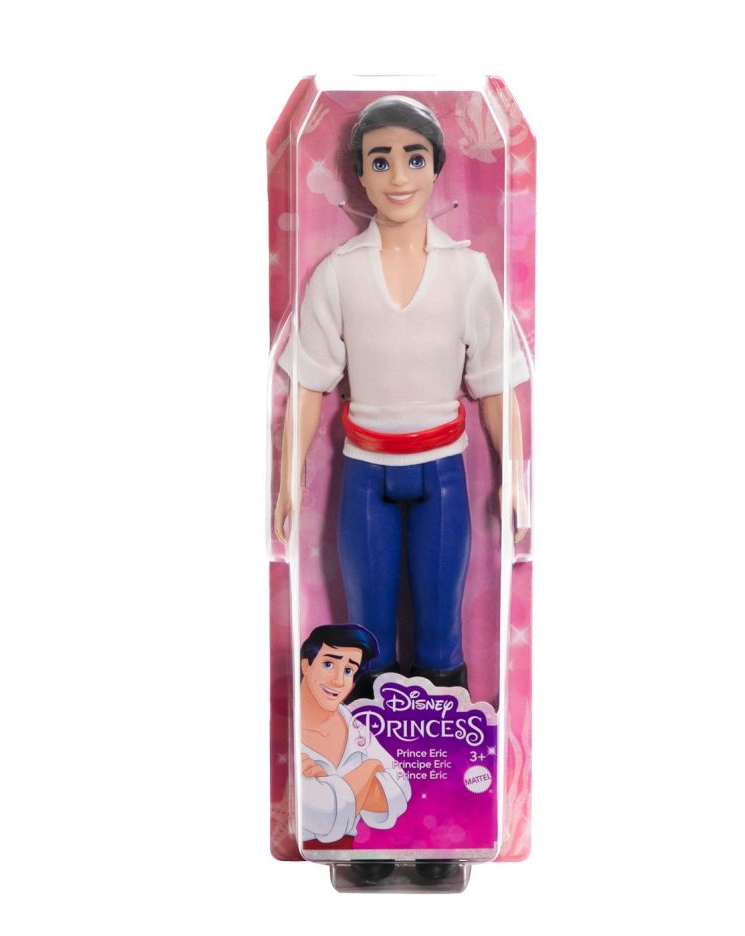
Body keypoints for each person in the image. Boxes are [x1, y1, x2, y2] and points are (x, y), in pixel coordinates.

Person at [277, 95, 529, 693]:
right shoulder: (338, 272)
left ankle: (446, 730)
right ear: (360, 175)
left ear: (437, 167)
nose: (398, 177)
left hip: (442, 472)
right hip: (365, 472)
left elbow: (496, 385)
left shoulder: (468, 272)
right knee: (366, 630)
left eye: (414, 159)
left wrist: (515, 476)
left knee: (441, 626)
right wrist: (287, 478)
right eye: (380, 160)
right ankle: (370, 730)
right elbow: (309, 384)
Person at [299, 624, 411, 850]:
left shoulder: (354, 726)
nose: (338, 681)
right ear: (306, 665)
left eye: (349, 671)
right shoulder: (289, 736)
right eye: (328, 664)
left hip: (358, 848)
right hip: (311, 850)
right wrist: (370, 768)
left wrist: (336, 785)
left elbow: (399, 795)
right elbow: (325, 814)